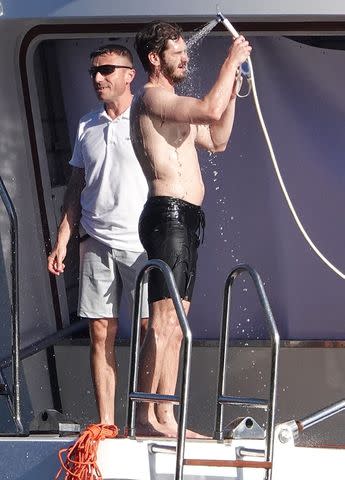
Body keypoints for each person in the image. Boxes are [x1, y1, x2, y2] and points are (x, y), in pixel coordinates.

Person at [130, 22, 252, 437]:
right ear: (154, 58)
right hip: (167, 214)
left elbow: (217, 138)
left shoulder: (172, 102)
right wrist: (231, 59)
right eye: (177, 52)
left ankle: (167, 416)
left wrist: (233, 87)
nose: (186, 58)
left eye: (186, 50)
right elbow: (206, 110)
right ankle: (146, 416)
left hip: (186, 218)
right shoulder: (153, 97)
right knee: (163, 320)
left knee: (178, 323)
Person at [47, 44, 149, 425]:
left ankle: (147, 415)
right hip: (95, 241)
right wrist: (62, 238)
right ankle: (106, 422)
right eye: (93, 72)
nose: (98, 78)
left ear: (129, 74)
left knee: (149, 333)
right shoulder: (87, 123)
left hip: (140, 243)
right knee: (101, 334)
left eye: (107, 70)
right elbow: (77, 184)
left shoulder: (147, 114)